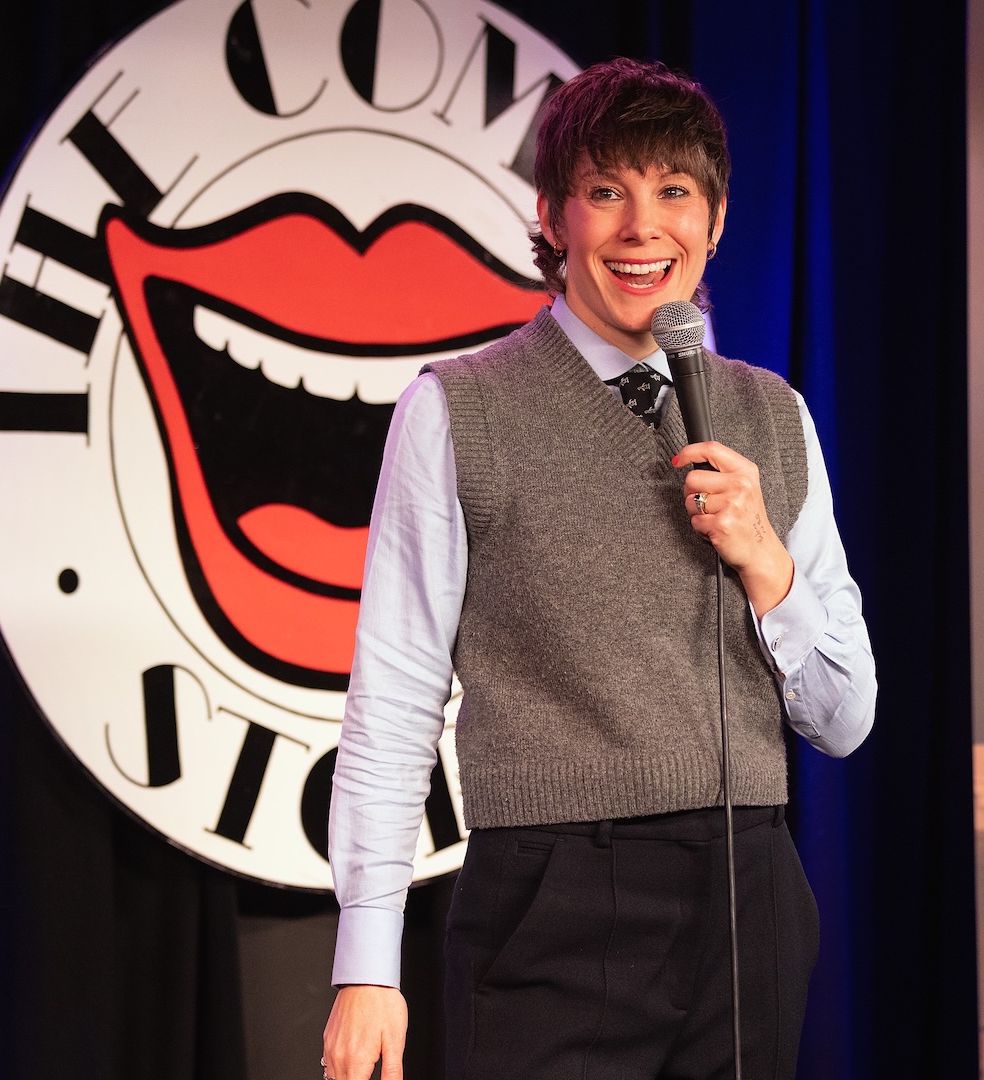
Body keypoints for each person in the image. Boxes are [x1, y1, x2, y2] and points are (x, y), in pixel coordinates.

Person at [320, 58, 877, 1080]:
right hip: (551, 900)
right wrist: (366, 962)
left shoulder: (773, 417)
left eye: (673, 192)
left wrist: (763, 560)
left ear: (713, 221)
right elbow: (394, 698)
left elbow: (844, 719)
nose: (641, 228)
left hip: (747, 893)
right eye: (606, 191)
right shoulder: (458, 411)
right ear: (553, 215)